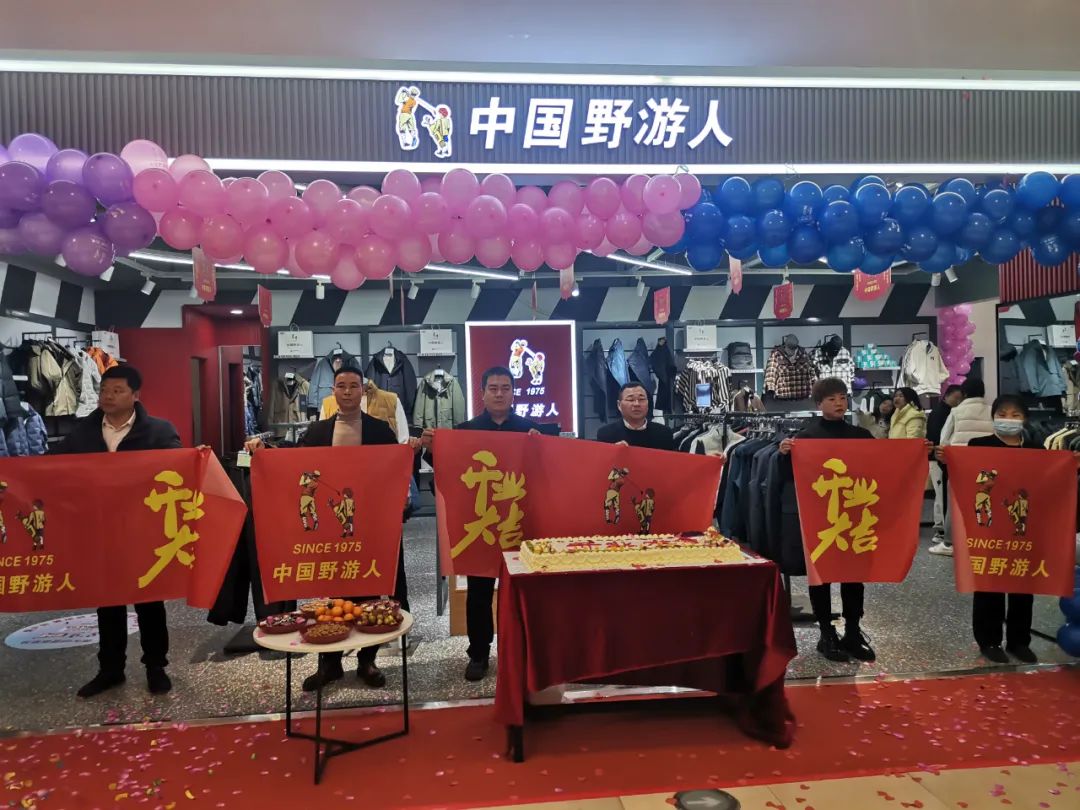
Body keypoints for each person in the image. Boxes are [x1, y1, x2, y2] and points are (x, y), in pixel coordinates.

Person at [245, 365, 418, 691]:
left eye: (354, 386)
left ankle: (367, 661)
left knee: (369, 593)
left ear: (363, 391)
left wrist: (412, 449)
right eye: (341, 386)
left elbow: (394, 470)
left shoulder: (379, 430)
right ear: (333, 391)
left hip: (370, 526)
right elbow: (293, 465)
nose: (348, 392)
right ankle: (330, 664)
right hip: (330, 531)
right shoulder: (318, 431)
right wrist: (264, 452)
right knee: (332, 599)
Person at [56, 365, 182, 698]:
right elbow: (51, 468)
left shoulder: (159, 432)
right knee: (107, 601)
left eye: (117, 391)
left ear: (135, 395)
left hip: (143, 530)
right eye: (104, 390)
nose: (108, 396)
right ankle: (110, 670)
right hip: (99, 530)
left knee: (149, 601)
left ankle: (156, 667)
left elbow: (179, 469)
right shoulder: (83, 433)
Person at [420, 365, 540, 682]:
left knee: (522, 591)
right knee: (478, 592)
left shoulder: (530, 430)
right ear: (482, 393)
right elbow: (448, 470)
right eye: (493, 388)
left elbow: (548, 472)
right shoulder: (465, 431)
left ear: (513, 393)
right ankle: (478, 652)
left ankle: (523, 650)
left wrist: (542, 446)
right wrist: (431, 450)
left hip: (518, 521)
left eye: (505, 388)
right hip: (481, 522)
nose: (499, 394)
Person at [778, 377, 877, 663]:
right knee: (821, 575)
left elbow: (882, 465)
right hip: (820, 517)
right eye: (832, 399)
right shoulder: (805, 439)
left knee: (853, 575)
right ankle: (826, 632)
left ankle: (853, 631)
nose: (839, 403)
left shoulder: (861, 435)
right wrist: (783, 455)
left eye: (843, 397)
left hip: (855, 514)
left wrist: (918, 451)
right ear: (819, 404)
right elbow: (788, 478)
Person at [946, 395, 1038, 664]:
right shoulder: (979, 445)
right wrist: (946, 458)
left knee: (1023, 583)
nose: (1008, 419)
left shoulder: (1036, 449)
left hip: (1022, 526)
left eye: (1015, 415)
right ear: (993, 417)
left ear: (1025, 419)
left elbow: (1047, 481)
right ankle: (989, 640)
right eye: (1003, 414)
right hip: (989, 526)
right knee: (990, 583)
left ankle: (1019, 641)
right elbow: (970, 479)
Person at [933, 378, 993, 556]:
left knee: (956, 503)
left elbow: (944, 439)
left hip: (960, 465)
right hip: (986, 465)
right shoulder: (992, 411)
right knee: (984, 501)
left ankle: (950, 543)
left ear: (964, 393)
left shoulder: (956, 411)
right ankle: (983, 538)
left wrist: (945, 457)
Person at [927, 385, 964, 553]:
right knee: (942, 495)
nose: (958, 401)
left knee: (941, 495)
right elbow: (937, 437)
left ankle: (940, 528)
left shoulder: (945, 411)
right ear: (946, 396)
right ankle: (942, 532)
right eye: (956, 398)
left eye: (960, 398)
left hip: (939, 458)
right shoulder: (941, 413)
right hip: (938, 458)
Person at [595, 382, 676, 451]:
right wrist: (612, 452)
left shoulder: (664, 433)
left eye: (641, 399)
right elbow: (601, 463)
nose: (637, 404)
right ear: (619, 405)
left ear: (648, 403)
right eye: (630, 400)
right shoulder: (606, 434)